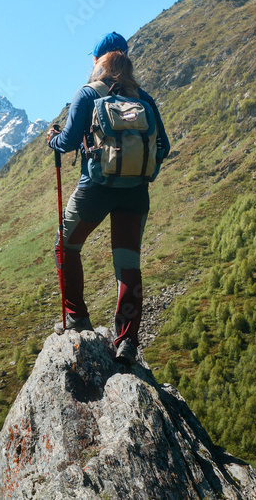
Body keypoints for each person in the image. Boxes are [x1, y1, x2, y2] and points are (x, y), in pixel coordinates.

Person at [45, 31, 170, 363]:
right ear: (126, 58)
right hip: (135, 193)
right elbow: (164, 147)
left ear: (97, 60)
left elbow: (69, 142)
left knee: (65, 244)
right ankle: (127, 341)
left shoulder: (88, 94)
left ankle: (76, 317)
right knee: (127, 265)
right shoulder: (142, 97)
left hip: (95, 189)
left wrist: (53, 140)